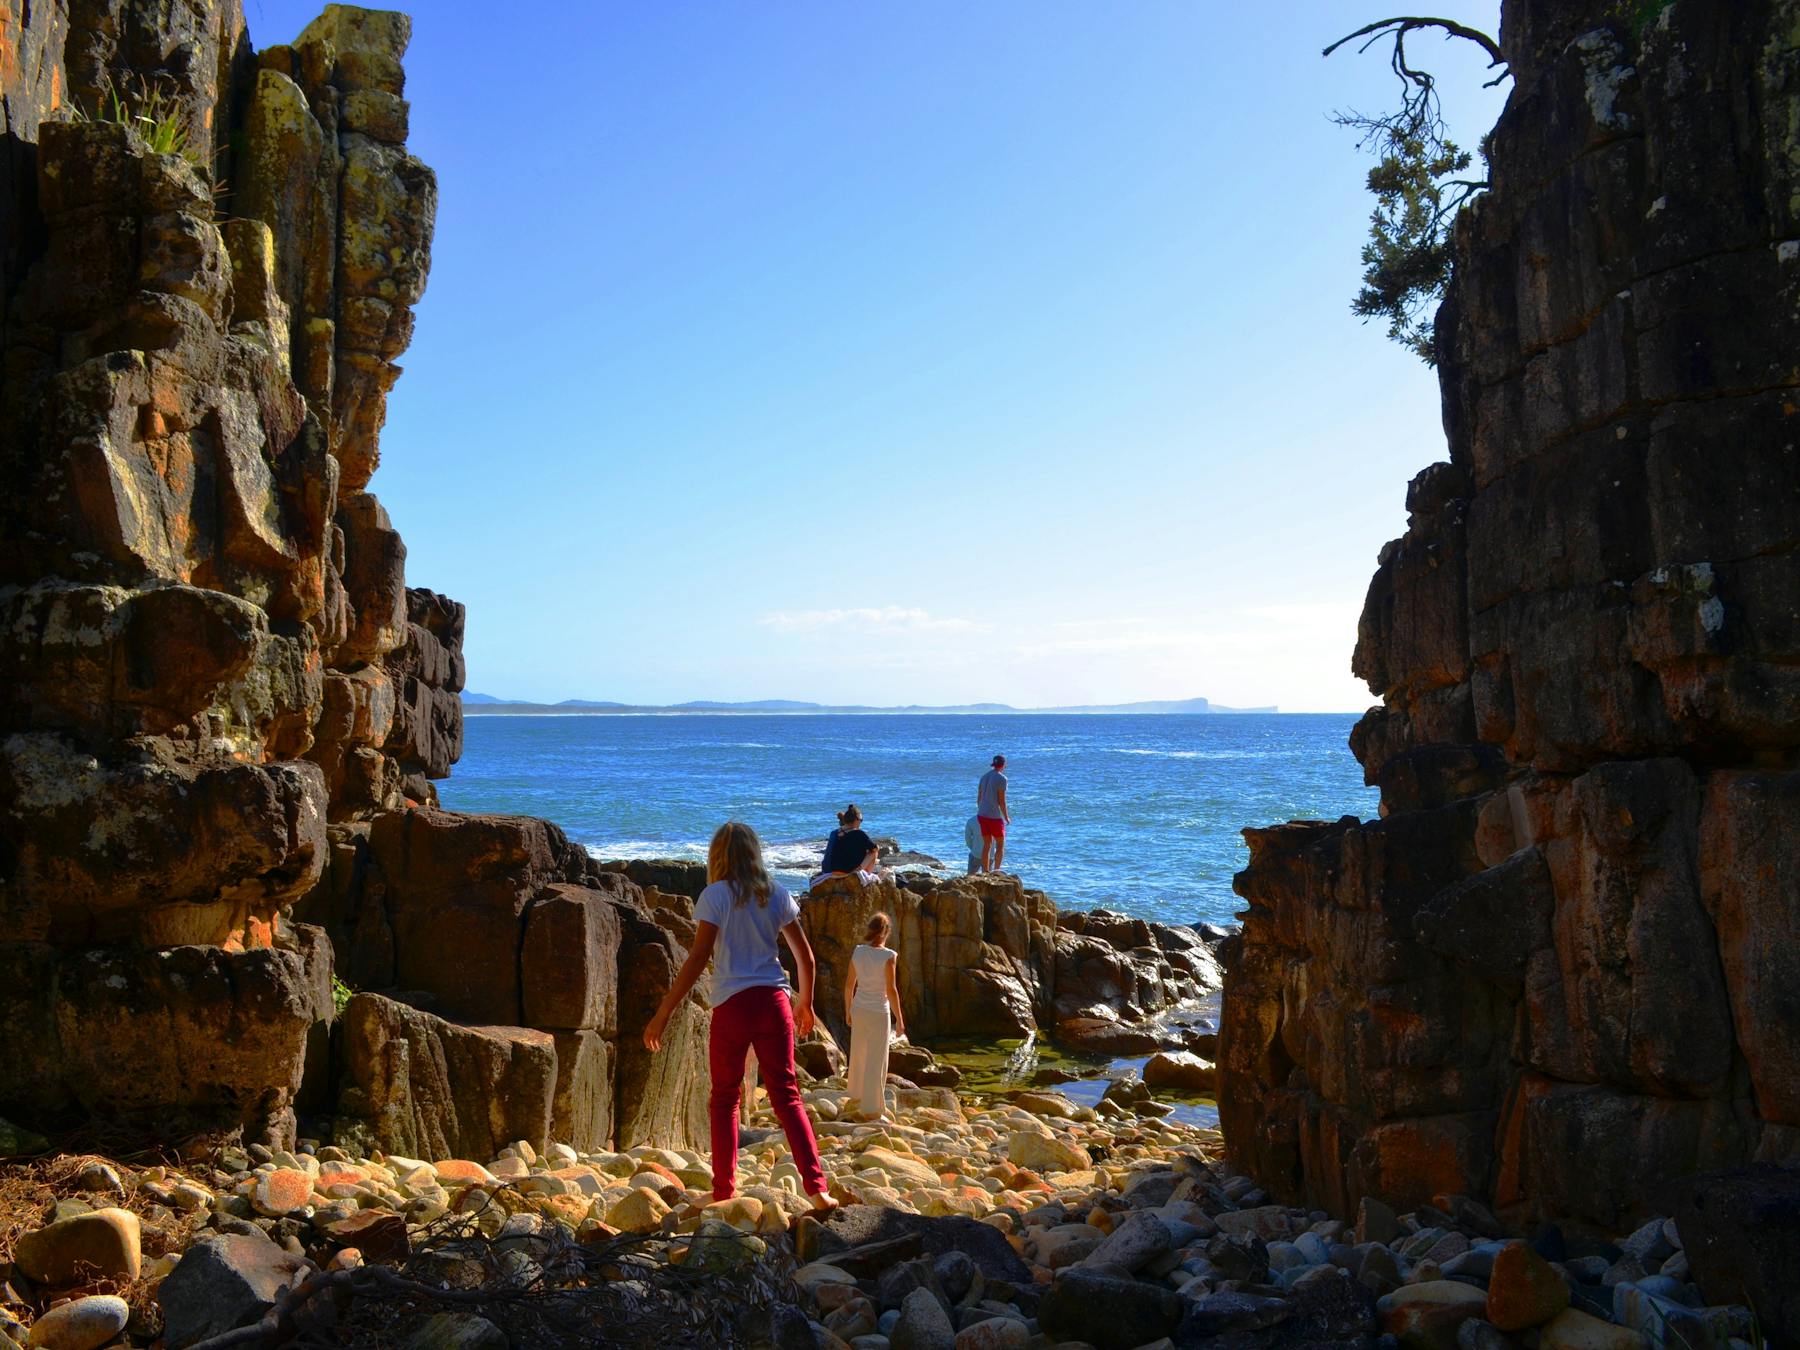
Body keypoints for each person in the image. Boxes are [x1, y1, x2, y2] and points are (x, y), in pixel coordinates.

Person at [642, 820, 835, 1211]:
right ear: (754, 854)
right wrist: (806, 1003)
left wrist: (664, 1010)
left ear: (718, 856)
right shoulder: (776, 894)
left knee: (725, 1099)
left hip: (732, 1005)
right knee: (788, 1097)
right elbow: (806, 958)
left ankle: (724, 1189)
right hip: (773, 1002)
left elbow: (698, 959)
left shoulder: (715, 896)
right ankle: (818, 1190)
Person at [844, 911, 903, 1119]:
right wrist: (900, 1020)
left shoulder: (858, 952)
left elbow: (849, 985)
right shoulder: (889, 956)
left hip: (859, 1008)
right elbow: (891, 990)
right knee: (877, 1059)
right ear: (886, 932)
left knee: (859, 1052)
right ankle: (872, 1107)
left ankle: (857, 1095)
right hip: (879, 1011)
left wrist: (848, 1010)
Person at [818, 803, 880, 879]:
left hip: (827, 871)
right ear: (857, 820)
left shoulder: (833, 833)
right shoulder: (859, 833)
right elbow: (874, 849)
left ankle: (859, 871)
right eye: (861, 820)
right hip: (844, 872)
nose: (861, 822)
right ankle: (860, 872)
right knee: (873, 852)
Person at [976, 753, 1010, 872]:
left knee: (987, 845)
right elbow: (1002, 801)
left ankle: (985, 871)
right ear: (1003, 765)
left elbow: (978, 798)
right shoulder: (1002, 779)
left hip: (982, 814)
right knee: (1000, 845)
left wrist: (981, 809)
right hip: (994, 816)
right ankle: (996, 871)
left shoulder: (984, 777)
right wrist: (1006, 817)